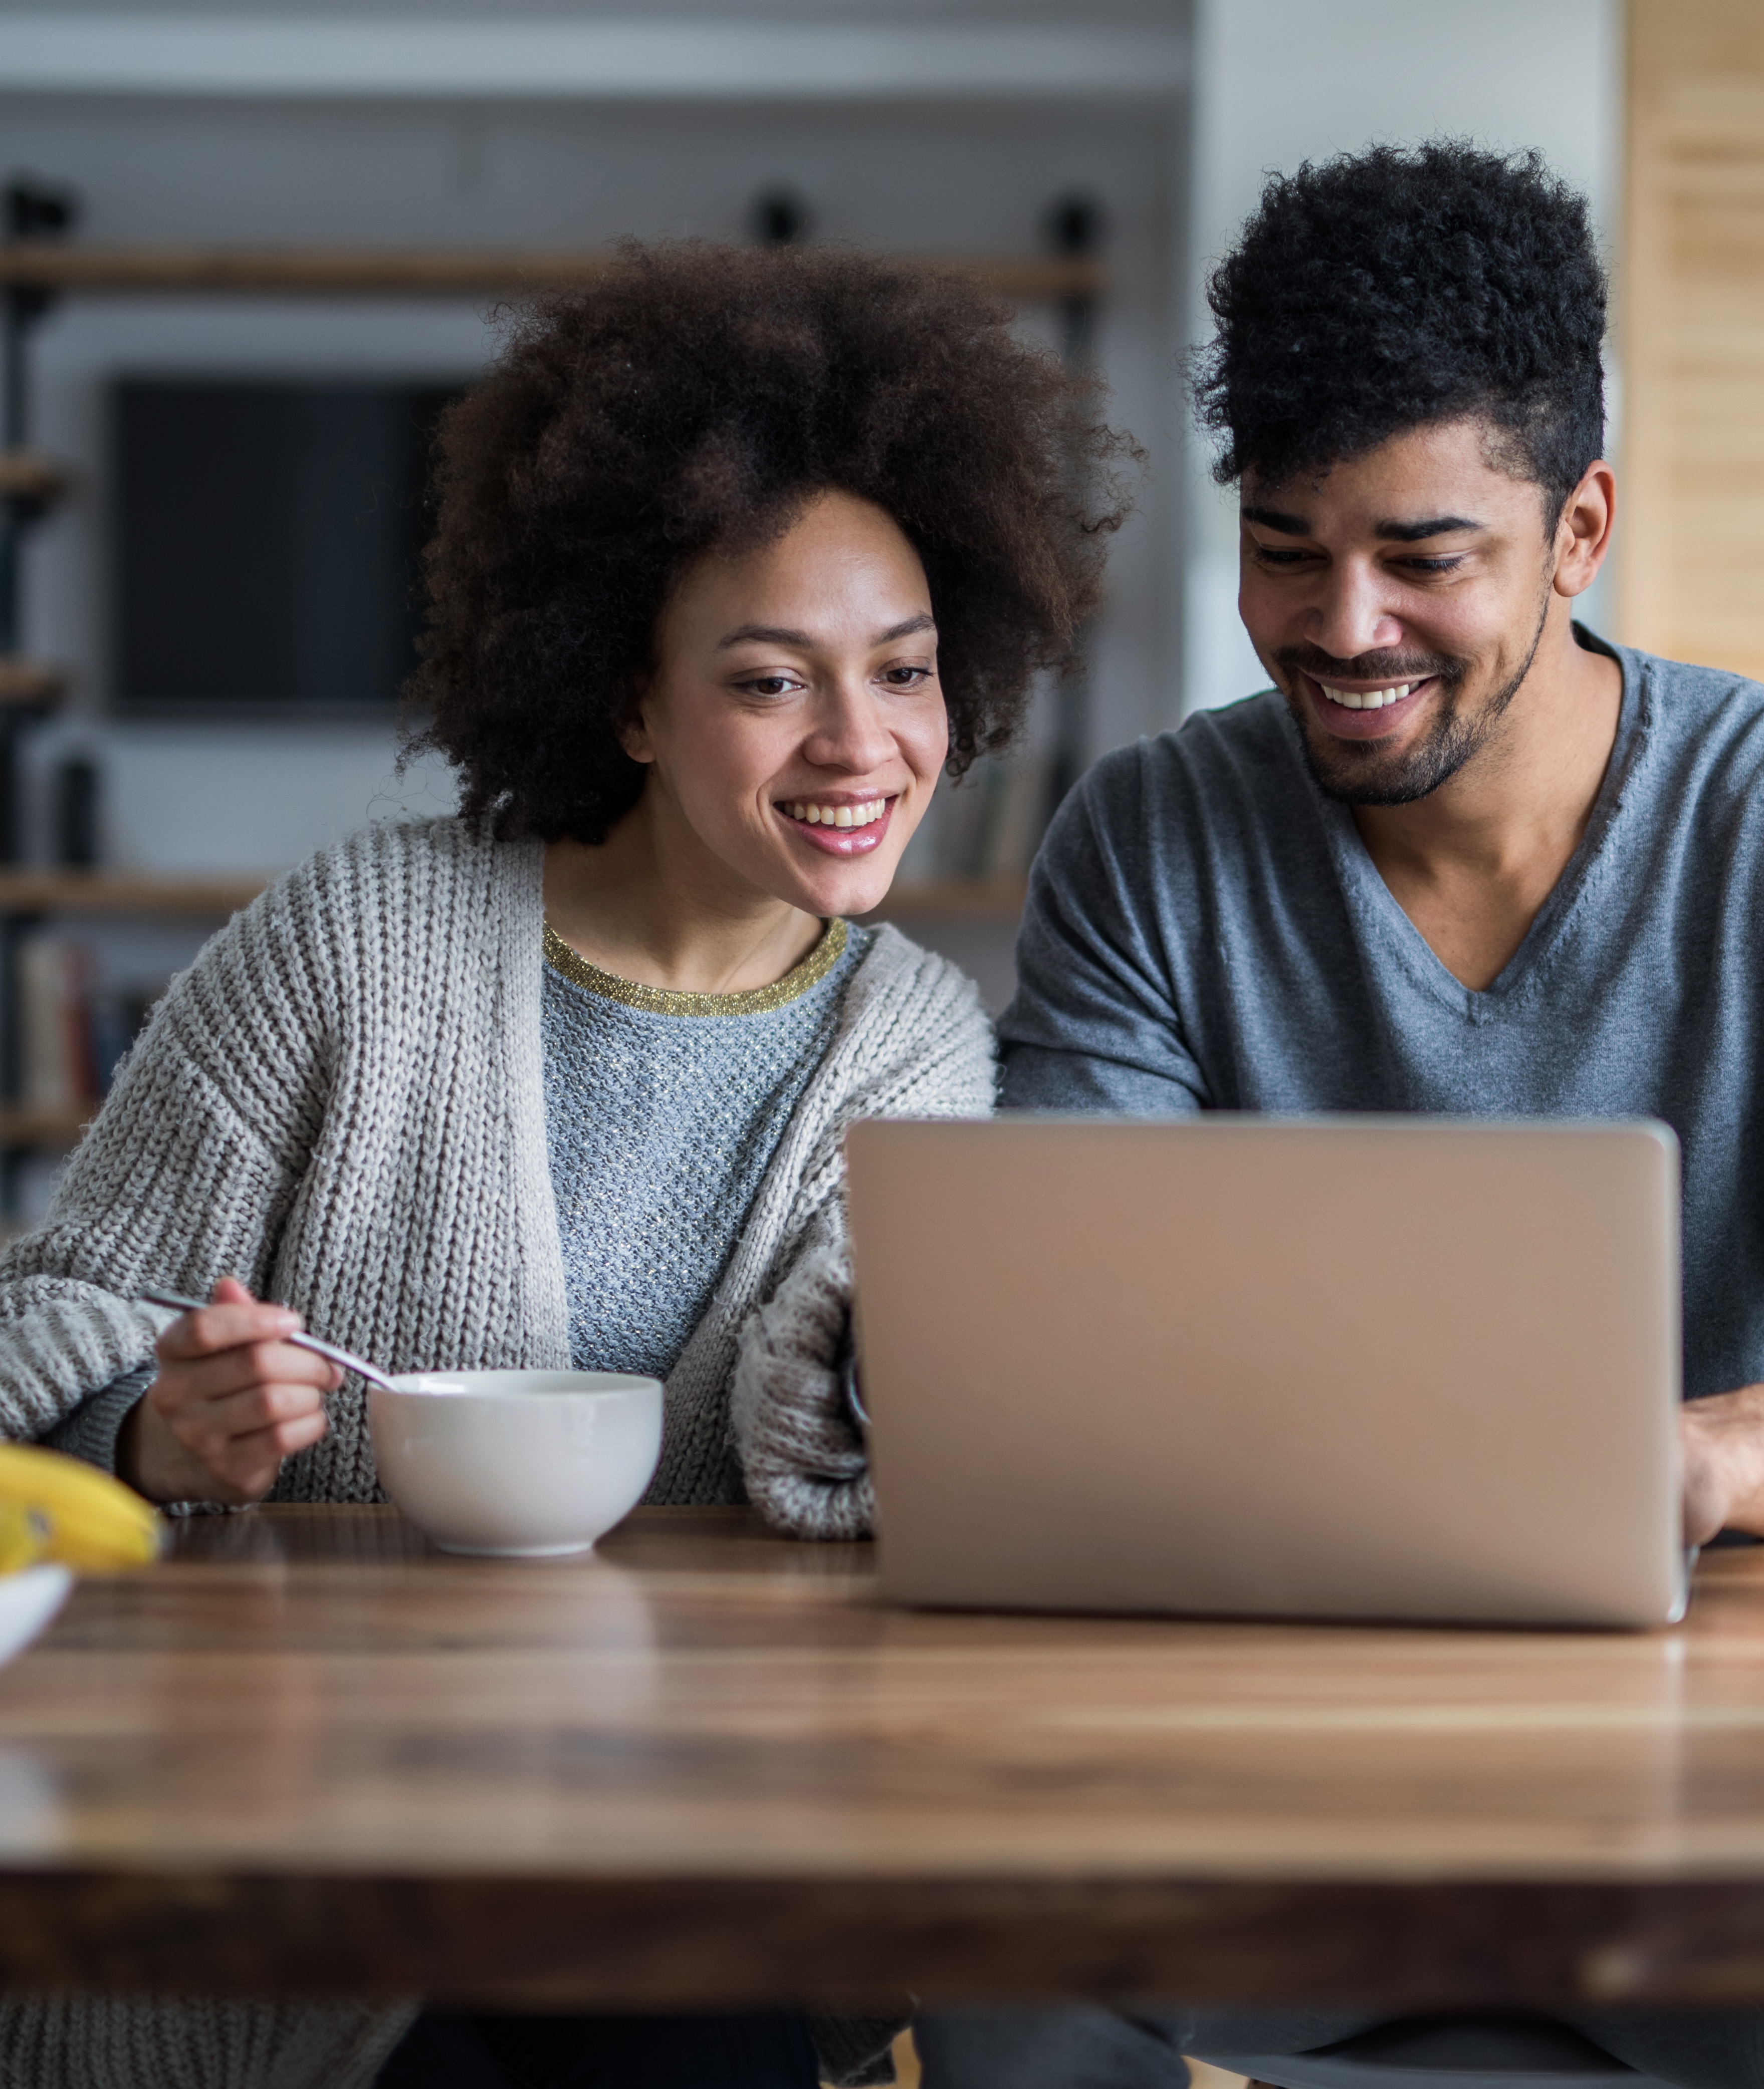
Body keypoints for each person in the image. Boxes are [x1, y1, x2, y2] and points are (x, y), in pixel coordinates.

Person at [916, 147, 1764, 2089]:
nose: (1343, 624)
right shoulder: (1148, 837)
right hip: (1277, 1740)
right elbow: (1060, 1332)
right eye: (1286, 547)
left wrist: (1699, 1455)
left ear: (1579, 531)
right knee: (991, 1962)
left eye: (1426, 555)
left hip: (1737, 1755)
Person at [0, 240, 1129, 2089]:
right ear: (627, 700)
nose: (862, 746)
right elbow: (49, 1314)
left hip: (681, 1841)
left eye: (905, 672)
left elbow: (829, 1452)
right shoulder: (355, 944)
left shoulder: (917, 1040)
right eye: (768, 681)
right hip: (318, 1825)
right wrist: (152, 1425)